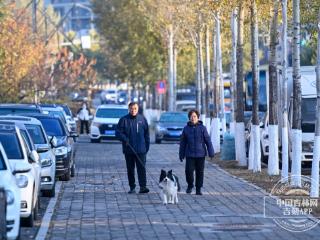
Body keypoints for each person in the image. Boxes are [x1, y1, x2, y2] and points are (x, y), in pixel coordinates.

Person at [116, 102, 150, 194]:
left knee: (141, 168)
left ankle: (143, 187)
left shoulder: (142, 119)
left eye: (135, 108)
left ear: (138, 109)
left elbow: (147, 134)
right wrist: (125, 139)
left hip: (141, 150)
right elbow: (118, 133)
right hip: (129, 150)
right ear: (129, 109)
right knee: (130, 169)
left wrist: (146, 147)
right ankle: (132, 187)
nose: (133, 110)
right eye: (131, 108)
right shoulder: (123, 120)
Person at [179, 109, 214, 195]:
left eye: (194, 116)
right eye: (191, 116)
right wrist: (181, 154)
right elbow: (183, 142)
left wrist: (211, 152)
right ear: (189, 118)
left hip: (200, 154)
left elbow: (208, 141)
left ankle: (198, 188)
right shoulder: (186, 129)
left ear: (198, 117)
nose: (193, 118)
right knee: (188, 171)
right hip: (189, 154)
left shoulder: (203, 128)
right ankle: (190, 185)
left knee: (200, 172)